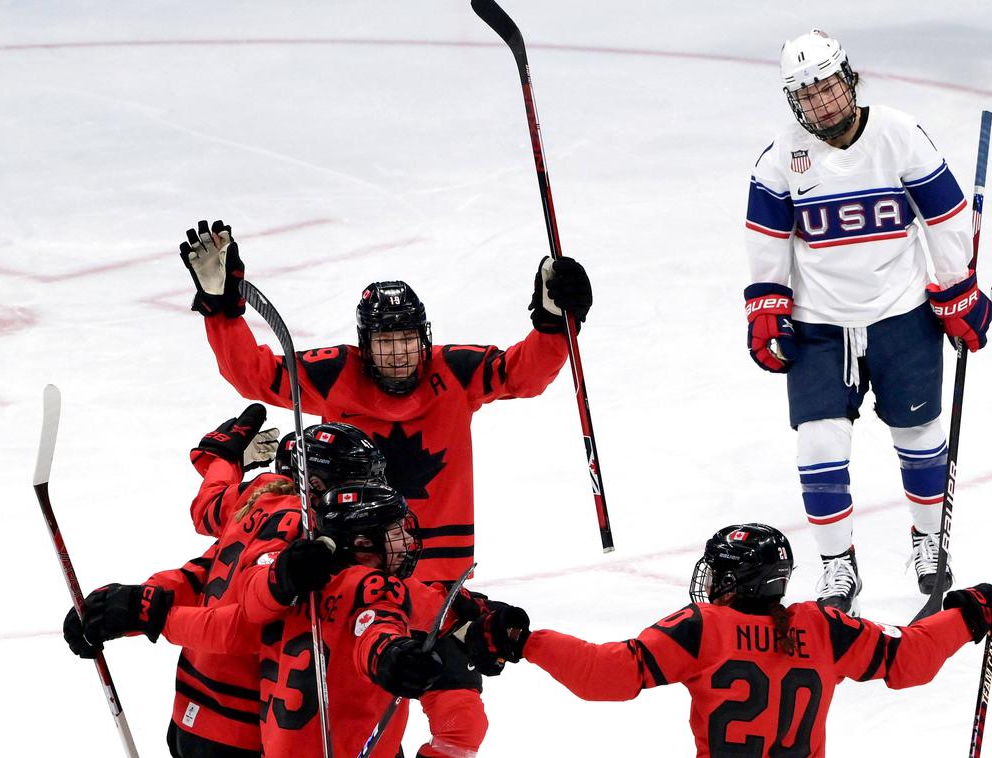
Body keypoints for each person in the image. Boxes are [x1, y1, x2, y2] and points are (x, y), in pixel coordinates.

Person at [179, 218, 594, 757]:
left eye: (405, 340)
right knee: (353, 718)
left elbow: (523, 374)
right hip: (353, 584)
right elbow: (255, 375)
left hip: (439, 589)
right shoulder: (333, 373)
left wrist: (553, 322)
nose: (397, 355)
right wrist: (220, 307)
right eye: (384, 342)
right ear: (362, 344)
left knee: (462, 724)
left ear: (424, 337)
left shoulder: (455, 369)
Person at [741, 29, 992, 613]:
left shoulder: (899, 136)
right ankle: (837, 566)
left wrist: (956, 290)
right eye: (808, 96)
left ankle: (929, 543)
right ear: (793, 101)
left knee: (921, 436)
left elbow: (948, 218)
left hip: (899, 315)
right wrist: (766, 308)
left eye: (829, 88)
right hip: (819, 325)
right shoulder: (781, 158)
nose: (823, 104)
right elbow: (766, 243)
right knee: (817, 447)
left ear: (848, 78)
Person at [468, 523, 992, 758]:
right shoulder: (822, 626)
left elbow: (606, 677)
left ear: (732, 582)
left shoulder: (704, 627)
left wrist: (526, 641)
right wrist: (972, 614)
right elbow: (907, 661)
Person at [62, 414, 374, 757]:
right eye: (360, 485)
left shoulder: (258, 497)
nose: (372, 498)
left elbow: (205, 548)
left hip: (193, 716)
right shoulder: (312, 537)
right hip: (248, 732)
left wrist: (130, 606)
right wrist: (145, 612)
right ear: (315, 486)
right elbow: (244, 624)